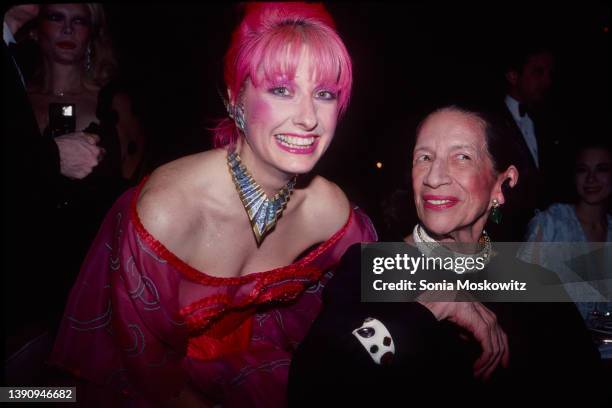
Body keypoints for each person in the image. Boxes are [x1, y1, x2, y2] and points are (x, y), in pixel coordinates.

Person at [49, 3, 377, 406]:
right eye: (281, 90)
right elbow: (144, 370)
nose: (309, 118)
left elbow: (382, 271)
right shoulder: (167, 211)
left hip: (263, 370)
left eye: (324, 94)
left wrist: (466, 281)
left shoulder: (327, 208)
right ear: (233, 99)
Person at [289, 105, 604, 407]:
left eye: (462, 157)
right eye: (424, 157)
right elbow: (315, 387)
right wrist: (431, 307)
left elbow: (583, 385)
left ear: (502, 183)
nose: (434, 177)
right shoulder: (373, 267)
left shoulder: (533, 281)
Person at [2, 3, 103, 372]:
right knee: (26, 394)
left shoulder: (116, 105)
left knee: (78, 391)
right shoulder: (16, 101)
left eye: (79, 21)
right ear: (36, 29)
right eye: (56, 18)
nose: (67, 30)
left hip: (92, 278)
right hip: (24, 277)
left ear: (91, 34)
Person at [519, 139, 612, 358]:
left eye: (602, 169)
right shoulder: (550, 223)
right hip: (561, 355)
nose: (591, 179)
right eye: (582, 170)